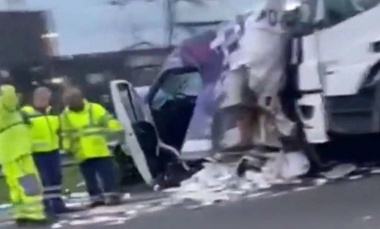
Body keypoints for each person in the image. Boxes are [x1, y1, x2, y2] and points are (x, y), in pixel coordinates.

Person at [60, 87, 123, 207]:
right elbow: (66, 133)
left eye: (74, 100)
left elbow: (108, 120)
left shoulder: (95, 108)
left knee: (106, 174)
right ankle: (96, 198)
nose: (73, 103)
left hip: (99, 148)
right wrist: (67, 147)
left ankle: (112, 195)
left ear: (80, 98)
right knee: (89, 178)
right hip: (81, 151)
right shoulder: (65, 115)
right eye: (70, 101)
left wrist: (116, 131)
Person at [0, 84, 48, 226]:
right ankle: (36, 214)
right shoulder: (5, 99)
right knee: (28, 179)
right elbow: (10, 95)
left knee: (14, 182)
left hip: (5, 147)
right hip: (16, 145)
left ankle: (21, 213)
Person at [21, 86, 73, 215]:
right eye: (43, 98)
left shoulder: (52, 112)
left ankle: (57, 204)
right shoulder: (25, 114)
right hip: (36, 152)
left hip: (53, 150)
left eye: (47, 98)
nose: (46, 100)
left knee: (56, 178)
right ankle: (45, 206)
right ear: (36, 98)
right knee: (42, 180)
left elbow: (59, 129)